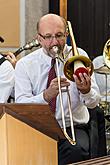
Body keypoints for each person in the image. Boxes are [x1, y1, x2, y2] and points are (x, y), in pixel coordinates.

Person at [15, 14, 101, 164]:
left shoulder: (79, 56)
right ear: (39, 38)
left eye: (59, 35)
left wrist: (86, 91)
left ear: (67, 35)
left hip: (72, 126)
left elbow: (93, 103)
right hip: (39, 128)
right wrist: (46, 96)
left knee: (74, 150)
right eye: (48, 37)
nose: (54, 42)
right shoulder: (25, 64)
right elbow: (21, 104)